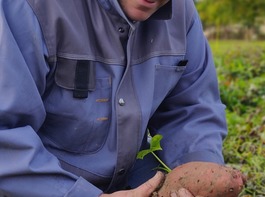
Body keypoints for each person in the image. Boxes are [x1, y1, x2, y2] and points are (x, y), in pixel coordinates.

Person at [0, 0, 228, 196]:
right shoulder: (31, 8)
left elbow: (192, 107)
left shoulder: (182, 13)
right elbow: (5, 134)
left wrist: (198, 170)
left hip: (132, 177)